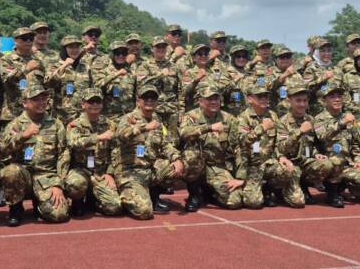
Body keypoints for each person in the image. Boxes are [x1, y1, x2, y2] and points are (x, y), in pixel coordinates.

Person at [0, 82, 70, 225]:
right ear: (25, 103)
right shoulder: (15, 125)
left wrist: (58, 184)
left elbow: (64, 155)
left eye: (44, 99)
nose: (41, 102)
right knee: (10, 171)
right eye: (36, 99)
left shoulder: (56, 124)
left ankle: (40, 204)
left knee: (58, 215)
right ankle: (15, 208)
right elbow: (4, 149)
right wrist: (23, 136)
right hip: (23, 176)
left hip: (46, 177)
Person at [114, 85, 184, 219]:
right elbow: (121, 135)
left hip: (149, 169)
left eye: (153, 98)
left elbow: (165, 144)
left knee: (180, 167)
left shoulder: (157, 120)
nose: (149, 100)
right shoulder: (128, 119)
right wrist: (144, 127)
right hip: (131, 171)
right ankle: (126, 194)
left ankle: (153, 196)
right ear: (138, 101)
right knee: (144, 212)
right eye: (145, 97)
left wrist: (176, 158)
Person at [232, 85, 301, 209]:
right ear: (249, 99)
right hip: (252, 166)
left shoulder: (272, 115)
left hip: (269, 163)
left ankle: (270, 189)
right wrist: (262, 128)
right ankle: (256, 188)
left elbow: (277, 141)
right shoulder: (243, 118)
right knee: (253, 203)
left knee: (296, 196)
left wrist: (281, 156)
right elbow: (243, 143)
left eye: (266, 96)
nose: (264, 99)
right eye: (259, 96)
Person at [277, 83, 343, 207]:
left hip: (306, 162)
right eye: (298, 101)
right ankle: (280, 189)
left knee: (329, 163)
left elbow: (316, 143)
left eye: (305, 101)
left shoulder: (311, 120)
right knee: (298, 202)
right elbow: (281, 148)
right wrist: (299, 131)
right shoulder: (282, 122)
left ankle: (327, 191)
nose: (302, 104)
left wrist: (317, 153)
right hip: (291, 165)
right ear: (289, 101)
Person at [179, 84, 240, 211]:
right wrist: (208, 128)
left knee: (235, 201)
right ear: (200, 102)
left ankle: (210, 192)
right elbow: (184, 134)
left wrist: (239, 177)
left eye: (216, 99)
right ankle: (194, 194)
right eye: (209, 99)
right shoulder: (191, 116)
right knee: (191, 156)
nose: (213, 102)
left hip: (217, 166)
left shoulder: (229, 119)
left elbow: (236, 147)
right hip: (197, 165)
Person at [65, 89, 122, 216]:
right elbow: (73, 143)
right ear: (83, 104)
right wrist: (98, 137)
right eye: (91, 101)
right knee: (75, 184)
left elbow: (116, 151)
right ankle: (78, 202)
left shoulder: (110, 125)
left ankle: (94, 201)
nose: (95, 104)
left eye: (98, 101)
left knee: (115, 207)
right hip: (81, 170)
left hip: (100, 171)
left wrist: (110, 172)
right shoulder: (74, 125)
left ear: (102, 104)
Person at [135, 36, 183, 141]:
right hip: (153, 109)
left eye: (163, 47)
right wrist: (160, 74)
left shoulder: (174, 66)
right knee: (153, 138)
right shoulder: (144, 66)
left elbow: (180, 90)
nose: (161, 49)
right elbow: (141, 85)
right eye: (158, 47)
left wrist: (181, 110)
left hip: (172, 110)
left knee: (173, 140)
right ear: (152, 48)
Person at [0, 27, 44, 124]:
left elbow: (43, 84)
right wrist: (26, 69)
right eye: (24, 38)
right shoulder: (7, 59)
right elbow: (6, 80)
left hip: (34, 113)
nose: (28, 41)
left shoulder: (38, 60)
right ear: (15, 41)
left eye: (31, 38)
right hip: (14, 113)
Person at [45, 35, 91, 125]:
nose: (74, 50)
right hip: (61, 117)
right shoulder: (55, 64)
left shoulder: (85, 67)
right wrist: (63, 66)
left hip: (82, 117)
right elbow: (48, 83)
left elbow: (91, 88)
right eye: (71, 47)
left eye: (77, 47)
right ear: (64, 49)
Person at [94, 41, 137, 124]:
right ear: (112, 54)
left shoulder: (132, 71)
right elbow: (97, 85)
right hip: (110, 118)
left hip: (128, 117)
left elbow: (137, 95)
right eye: (117, 53)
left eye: (123, 53)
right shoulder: (104, 70)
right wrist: (116, 74)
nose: (121, 56)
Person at [302, 37, 339, 115]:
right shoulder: (311, 68)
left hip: (336, 113)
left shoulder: (336, 69)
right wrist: (322, 78)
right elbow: (305, 90)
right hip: (317, 113)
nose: (327, 54)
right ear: (317, 52)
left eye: (329, 51)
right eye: (323, 51)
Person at [223, 45, 250, 116]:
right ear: (232, 58)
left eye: (244, 56)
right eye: (238, 56)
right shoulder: (225, 73)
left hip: (248, 115)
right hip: (232, 115)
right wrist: (234, 81)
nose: (241, 59)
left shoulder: (251, 74)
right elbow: (221, 92)